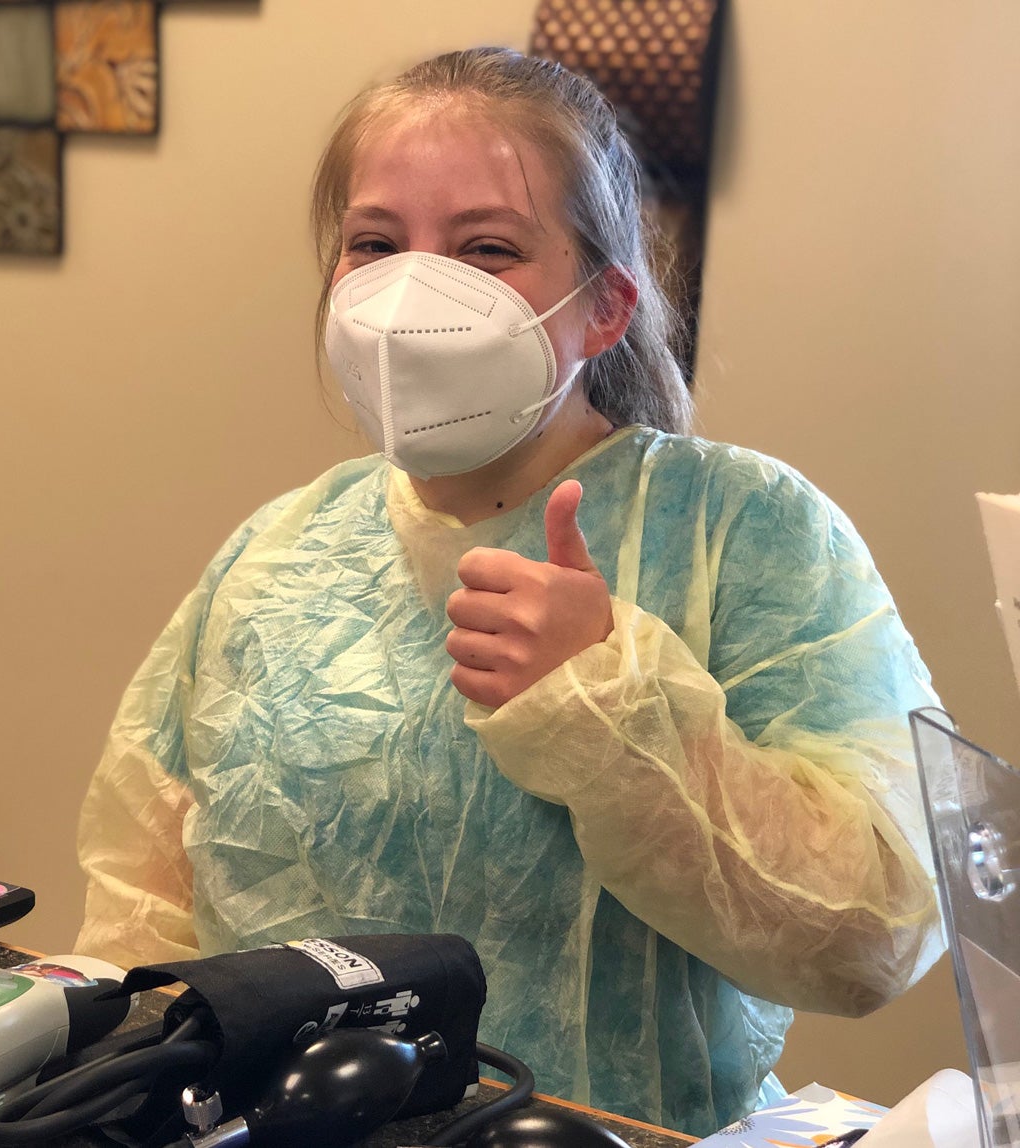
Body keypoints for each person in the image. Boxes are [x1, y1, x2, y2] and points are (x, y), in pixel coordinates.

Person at [74, 47, 944, 1137]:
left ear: (605, 307)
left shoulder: (747, 535)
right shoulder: (281, 550)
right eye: (376, 244)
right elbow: (142, 899)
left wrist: (616, 709)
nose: (412, 295)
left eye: (487, 249)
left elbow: (877, 926)